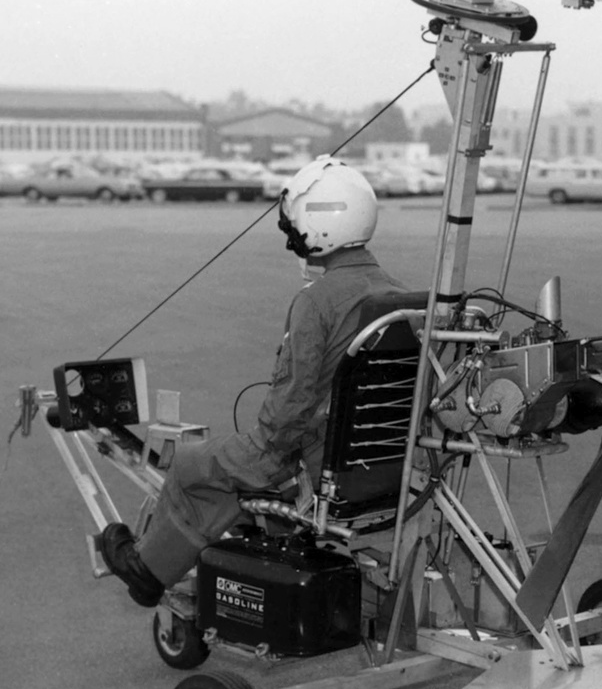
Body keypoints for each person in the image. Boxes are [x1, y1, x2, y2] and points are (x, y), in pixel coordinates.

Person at [99, 157, 407, 606]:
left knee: (192, 465)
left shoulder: (317, 302)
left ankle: (147, 568)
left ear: (319, 225)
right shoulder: (399, 296)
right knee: (230, 478)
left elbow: (290, 409)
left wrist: (262, 448)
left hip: (316, 459)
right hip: (384, 462)